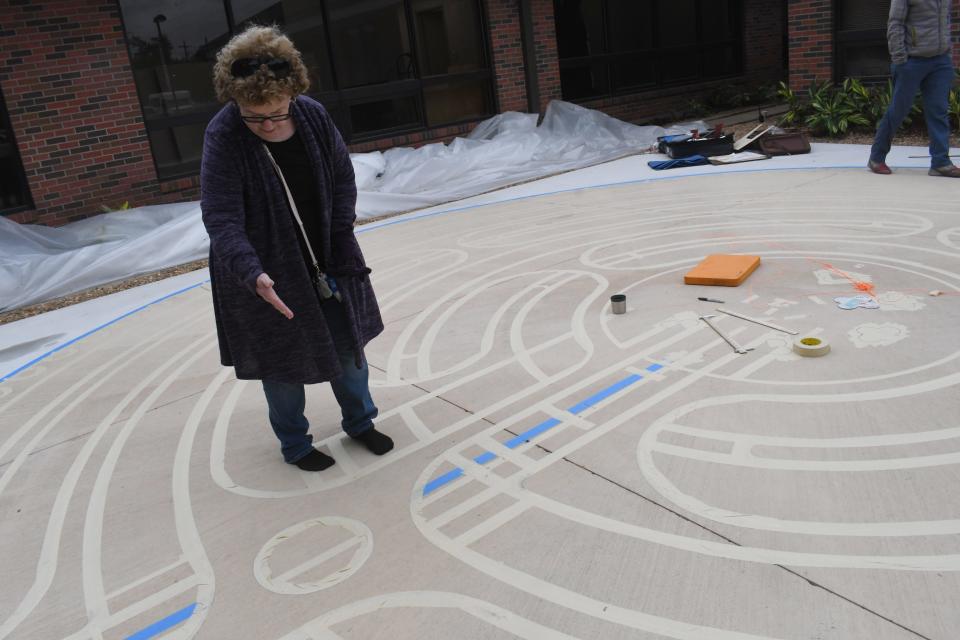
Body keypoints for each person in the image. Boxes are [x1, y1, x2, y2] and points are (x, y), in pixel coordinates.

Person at [200, 25, 393, 471]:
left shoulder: (311, 115)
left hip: (327, 255)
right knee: (282, 364)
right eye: (254, 115)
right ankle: (296, 445)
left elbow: (343, 180)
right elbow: (221, 215)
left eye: (277, 112)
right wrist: (251, 273)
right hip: (263, 271)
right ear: (235, 100)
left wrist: (341, 237)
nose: (267, 124)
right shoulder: (224, 134)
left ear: (293, 93)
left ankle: (360, 422)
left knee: (348, 347)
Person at [868, 0, 960, 177]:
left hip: (940, 61)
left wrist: (948, 54)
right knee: (898, 110)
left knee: (939, 110)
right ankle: (876, 158)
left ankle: (940, 163)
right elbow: (895, 23)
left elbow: (946, 21)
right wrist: (900, 58)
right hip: (911, 61)